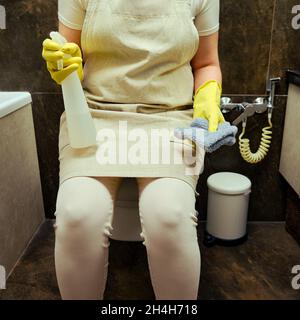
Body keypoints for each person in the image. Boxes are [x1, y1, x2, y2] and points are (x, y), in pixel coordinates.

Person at [42, 0, 225, 300]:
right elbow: (67, 50)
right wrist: (64, 65)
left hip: (170, 117)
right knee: (78, 216)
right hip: (95, 117)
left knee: (169, 216)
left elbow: (206, 64)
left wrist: (208, 96)